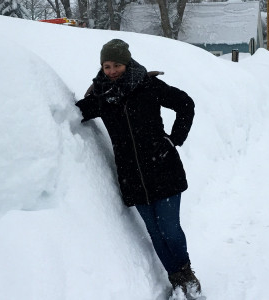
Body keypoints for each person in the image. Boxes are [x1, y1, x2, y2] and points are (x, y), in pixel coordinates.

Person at [75, 39, 201, 298]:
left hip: (162, 167)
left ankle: (187, 275)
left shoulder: (147, 85)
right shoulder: (101, 96)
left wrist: (173, 139)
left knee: (170, 228)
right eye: (107, 66)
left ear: (127, 63)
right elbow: (73, 113)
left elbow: (185, 104)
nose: (111, 71)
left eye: (117, 65)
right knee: (155, 232)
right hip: (132, 177)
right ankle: (175, 279)